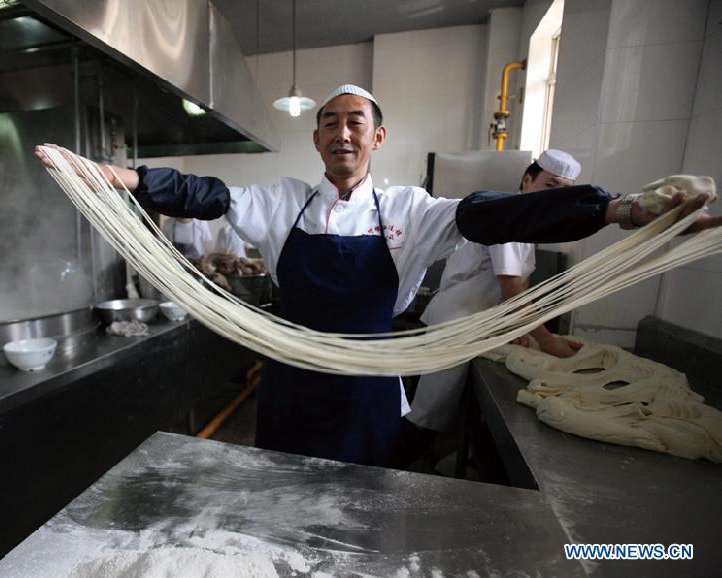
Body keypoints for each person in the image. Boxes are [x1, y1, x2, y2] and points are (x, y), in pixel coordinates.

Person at [36, 84, 719, 468]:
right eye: (329, 124)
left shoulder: (409, 211)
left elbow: (490, 214)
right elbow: (207, 194)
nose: (342, 133)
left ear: (377, 137)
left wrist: (616, 210)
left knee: (363, 514)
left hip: (366, 390)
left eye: (355, 123)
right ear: (316, 140)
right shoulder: (281, 203)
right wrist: (122, 178)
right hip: (290, 385)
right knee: (281, 504)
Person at [403, 150, 586, 442]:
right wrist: (547, 340)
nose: (555, 197)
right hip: (458, 324)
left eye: (564, 191)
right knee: (429, 412)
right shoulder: (508, 217)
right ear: (527, 180)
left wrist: (516, 327)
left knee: (445, 415)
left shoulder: (530, 222)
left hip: (477, 323)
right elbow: (511, 287)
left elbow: (519, 283)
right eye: (549, 185)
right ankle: (396, 462)